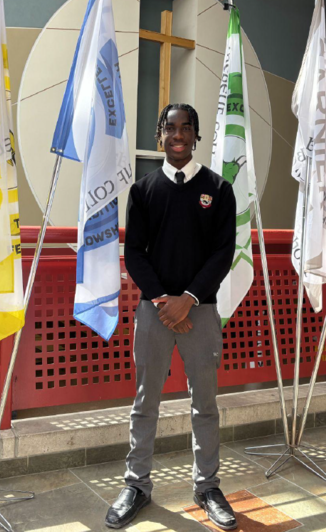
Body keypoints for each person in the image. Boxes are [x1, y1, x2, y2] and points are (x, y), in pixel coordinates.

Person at [104, 104, 237, 530]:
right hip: (154, 313)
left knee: (205, 406)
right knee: (146, 402)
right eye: (170, 128)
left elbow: (223, 252)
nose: (178, 135)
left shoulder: (219, 188)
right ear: (160, 133)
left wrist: (190, 299)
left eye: (186, 128)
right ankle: (136, 485)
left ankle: (207, 487)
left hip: (202, 311)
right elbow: (135, 254)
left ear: (196, 135)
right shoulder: (143, 191)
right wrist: (165, 301)